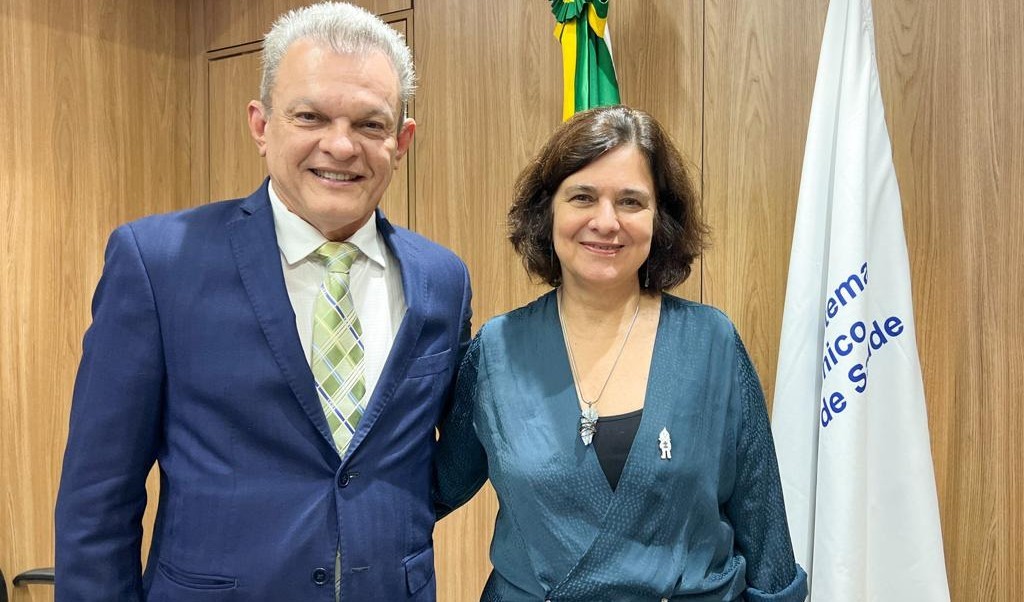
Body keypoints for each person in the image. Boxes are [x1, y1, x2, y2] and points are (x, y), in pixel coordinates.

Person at [55, 3, 471, 600]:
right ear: (262, 125)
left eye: (370, 124)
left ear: (401, 140)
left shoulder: (443, 279)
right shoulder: (158, 263)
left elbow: (430, 464)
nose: (341, 146)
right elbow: (97, 499)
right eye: (310, 116)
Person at [436, 105, 807, 601]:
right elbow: (429, 489)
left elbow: (765, 533)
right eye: (583, 197)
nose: (606, 222)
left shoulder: (712, 344)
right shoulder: (497, 353)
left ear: (660, 218)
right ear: (548, 212)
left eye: (630, 201)